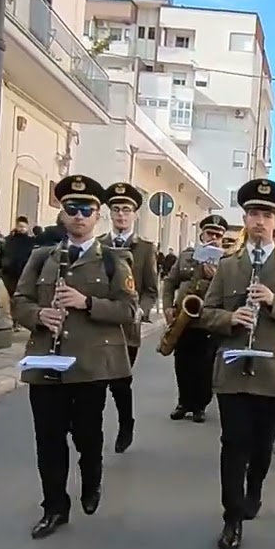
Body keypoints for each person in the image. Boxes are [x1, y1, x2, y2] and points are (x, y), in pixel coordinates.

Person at [11, 175, 139, 540]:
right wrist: (38, 316)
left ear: (97, 216)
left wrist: (87, 303)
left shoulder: (114, 260)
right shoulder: (42, 257)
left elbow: (129, 309)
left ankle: (92, 478)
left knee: (87, 435)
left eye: (86, 210)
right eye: (72, 209)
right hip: (45, 363)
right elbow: (19, 301)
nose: (79, 216)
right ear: (62, 215)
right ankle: (54, 507)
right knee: (48, 439)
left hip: (89, 365)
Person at [199, 179, 275, 549]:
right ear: (245, 219)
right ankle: (231, 518)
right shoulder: (228, 264)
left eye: (266, 215)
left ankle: (255, 487)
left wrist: (273, 302)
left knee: (261, 444)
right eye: (253, 214)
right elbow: (207, 313)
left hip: (270, 371)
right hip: (232, 368)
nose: (259, 221)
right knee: (233, 441)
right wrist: (230, 319)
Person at [98, 182, 159, 453]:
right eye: (116, 209)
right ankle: (92, 430)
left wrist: (143, 311)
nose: (121, 215)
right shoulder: (98, 245)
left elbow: (150, 289)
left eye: (126, 209)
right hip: (97, 324)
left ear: (135, 214)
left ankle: (126, 423)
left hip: (127, 328)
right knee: (95, 382)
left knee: (121, 381)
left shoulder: (145, 248)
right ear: (109, 213)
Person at [161, 214, 228, 422]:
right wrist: (167, 307)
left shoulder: (227, 261)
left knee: (205, 366)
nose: (213, 238)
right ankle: (184, 402)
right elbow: (170, 282)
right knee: (183, 363)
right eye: (210, 233)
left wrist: (215, 275)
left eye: (218, 235)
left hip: (208, 321)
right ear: (202, 234)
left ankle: (200, 405)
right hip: (184, 318)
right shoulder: (186, 256)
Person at [1, 216, 37, 327]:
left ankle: (16, 320)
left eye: (23, 227)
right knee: (10, 296)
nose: (22, 229)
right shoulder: (8, 240)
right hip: (10, 272)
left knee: (19, 297)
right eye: (20, 226)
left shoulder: (30, 241)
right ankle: (13, 320)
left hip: (23, 272)